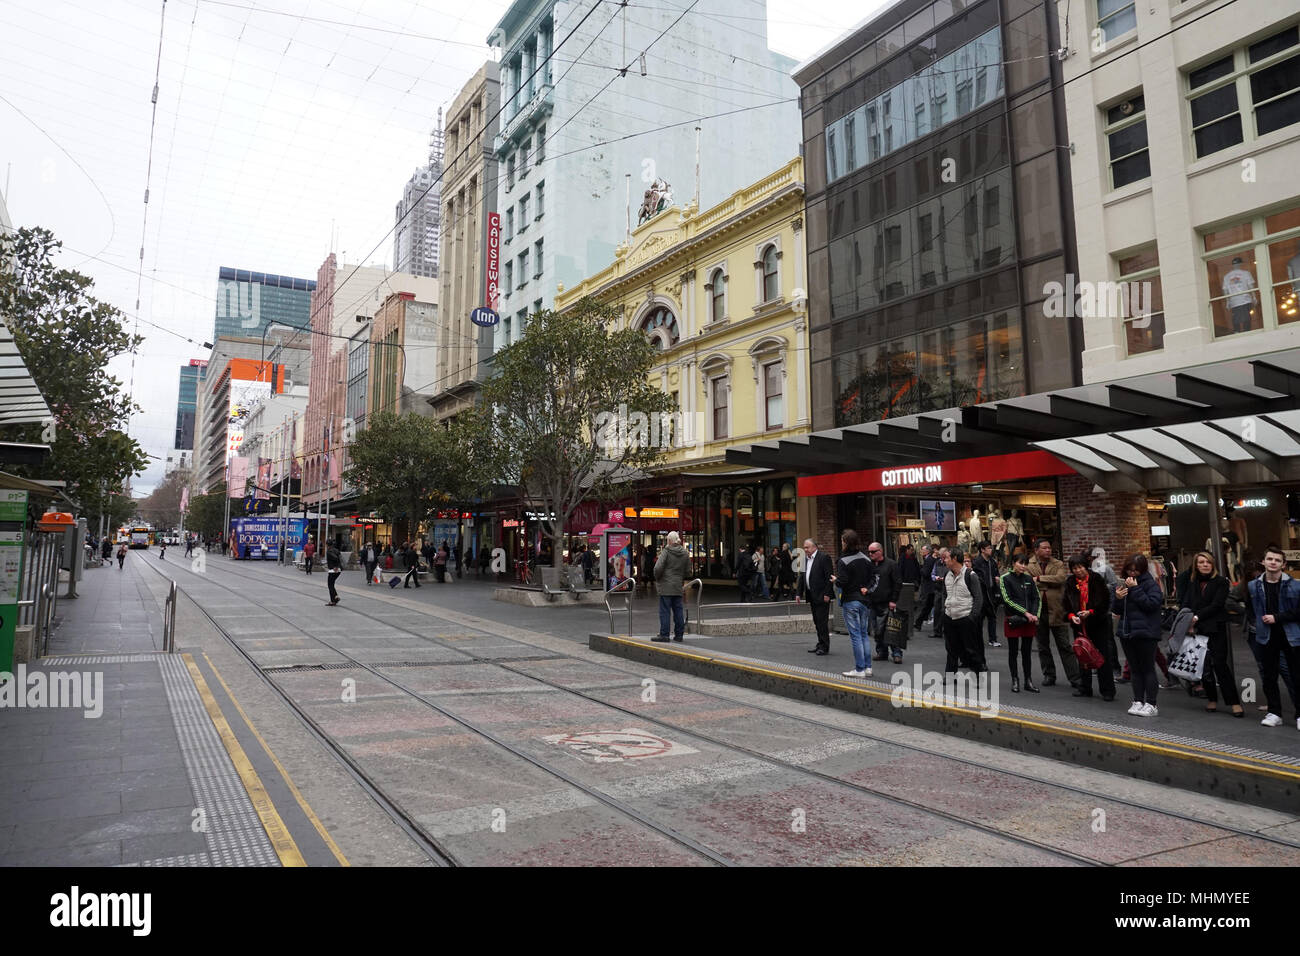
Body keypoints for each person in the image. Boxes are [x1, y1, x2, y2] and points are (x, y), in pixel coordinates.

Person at [1180, 551, 1241, 717]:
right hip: (1198, 629)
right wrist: (1189, 622)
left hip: (1215, 628)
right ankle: (1212, 699)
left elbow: (1217, 605)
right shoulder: (1192, 582)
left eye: (1208, 562)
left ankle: (1234, 702)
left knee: (1220, 665)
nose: (1205, 565)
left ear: (1212, 564)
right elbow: (1186, 603)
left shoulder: (1220, 582)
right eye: (1201, 562)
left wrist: (1196, 617)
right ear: (1196, 565)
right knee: (1203, 666)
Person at [1247, 546, 1300, 729]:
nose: (1273, 562)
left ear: (1283, 565)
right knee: (1269, 676)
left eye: (1277, 560)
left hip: (1291, 636)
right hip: (1265, 636)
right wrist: (1253, 623)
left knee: (1296, 676)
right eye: (1270, 559)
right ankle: (1275, 713)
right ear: (1263, 561)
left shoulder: (1295, 585)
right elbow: (1248, 606)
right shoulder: (1253, 585)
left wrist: (1277, 617)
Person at [1115, 554, 1164, 717]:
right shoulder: (1123, 583)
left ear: (1142, 570)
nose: (1132, 573)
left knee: (1147, 668)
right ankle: (1137, 700)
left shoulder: (1151, 584)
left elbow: (1151, 604)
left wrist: (1135, 589)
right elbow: (1116, 610)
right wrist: (1118, 598)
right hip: (1127, 632)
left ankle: (1151, 703)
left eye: (1136, 570)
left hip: (1146, 633)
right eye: (1129, 570)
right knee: (1135, 668)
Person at [1027, 539, 1079, 688]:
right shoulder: (1029, 564)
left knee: (1064, 645)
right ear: (1036, 550)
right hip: (1038, 610)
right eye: (1044, 548)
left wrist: (1038, 579)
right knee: (1043, 645)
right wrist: (1044, 582)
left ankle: (1074, 677)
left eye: (1049, 548)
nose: (1048, 550)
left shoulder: (1058, 564)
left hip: (1057, 609)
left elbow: (1060, 579)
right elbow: (1028, 582)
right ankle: (1049, 675)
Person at [1064, 554, 1116, 701]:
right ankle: (1085, 687)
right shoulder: (1070, 582)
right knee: (1082, 655)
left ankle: (1107, 690)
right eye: (1074, 568)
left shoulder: (1096, 579)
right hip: (1079, 624)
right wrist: (1071, 616)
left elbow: (1105, 601)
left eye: (1080, 567)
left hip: (1097, 622)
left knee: (1102, 655)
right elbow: (1066, 603)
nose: (1078, 570)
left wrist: (1091, 612)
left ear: (1085, 566)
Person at [833, 530, 876, 678]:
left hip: (850, 600)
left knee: (855, 636)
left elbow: (842, 581)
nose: (841, 543)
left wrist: (835, 580)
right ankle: (868, 667)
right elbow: (873, 579)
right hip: (864, 600)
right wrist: (866, 589)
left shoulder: (843, 561)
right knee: (864, 634)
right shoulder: (866, 558)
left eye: (842, 541)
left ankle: (859, 669)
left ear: (846, 542)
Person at [999, 556, 1041, 692]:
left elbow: (1036, 598)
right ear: (1013, 563)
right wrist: (1025, 613)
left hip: (1029, 619)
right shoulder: (1005, 578)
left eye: (1025, 564)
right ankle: (1015, 679)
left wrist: (1035, 615)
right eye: (1020, 563)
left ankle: (1028, 680)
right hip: (1014, 618)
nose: (1023, 566)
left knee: (1027, 651)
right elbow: (1007, 600)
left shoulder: (1029, 579)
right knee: (1013, 651)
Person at [941, 547, 985, 676]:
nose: (944, 560)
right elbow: (945, 594)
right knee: (951, 649)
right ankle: (950, 676)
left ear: (954, 559)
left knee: (970, 650)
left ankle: (978, 675)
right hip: (949, 617)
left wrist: (972, 617)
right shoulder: (947, 575)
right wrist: (945, 610)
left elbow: (978, 598)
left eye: (947, 558)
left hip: (965, 617)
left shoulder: (970, 576)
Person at [797, 538, 834, 655]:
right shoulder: (805, 560)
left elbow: (829, 577)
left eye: (807, 547)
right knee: (816, 621)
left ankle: (824, 646)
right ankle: (820, 644)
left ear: (814, 547)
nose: (805, 549)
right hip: (811, 595)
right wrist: (798, 593)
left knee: (822, 622)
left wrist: (827, 594)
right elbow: (802, 577)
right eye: (804, 547)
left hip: (822, 595)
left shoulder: (824, 558)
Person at [867, 541, 902, 664]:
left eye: (873, 552)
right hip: (872, 602)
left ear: (880, 551)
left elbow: (897, 583)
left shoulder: (891, 564)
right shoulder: (869, 565)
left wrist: (893, 600)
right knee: (877, 630)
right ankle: (882, 652)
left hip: (886, 602)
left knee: (891, 629)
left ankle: (896, 653)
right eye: (869, 552)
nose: (870, 554)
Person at [652, 531, 690, 643]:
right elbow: (688, 571)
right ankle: (679, 635)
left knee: (665, 611)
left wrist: (658, 578)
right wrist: (680, 578)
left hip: (665, 587)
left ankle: (664, 635)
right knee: (678, 610)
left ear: (669, 541)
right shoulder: (685, 553)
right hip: (678, 586)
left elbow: (657, 568)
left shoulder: (666, 551)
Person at [972, 541, 1001, 649]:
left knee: (992, 616)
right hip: (982, 593)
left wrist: (996, 578)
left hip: (992, 592)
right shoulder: (977, 562)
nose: (991, 550)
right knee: (979, 618)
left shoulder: (992, 562)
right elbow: (977, 577)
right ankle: (977, 638)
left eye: (991, 548)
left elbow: (996, 573)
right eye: (988, 548)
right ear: (982, 550)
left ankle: (993, 639)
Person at [915, 545, 938, 631]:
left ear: (927, 551)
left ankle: (918, 622)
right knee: (928, 605)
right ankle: (918, 622)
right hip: (929, 586)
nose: (921, 551)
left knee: (925, 605)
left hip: (928, 587)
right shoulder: (929, 559)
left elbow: (926, 573)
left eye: (922, 549)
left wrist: (920, 569)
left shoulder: (929, 560)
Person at [325, 541, 342, 606]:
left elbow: (336, 558)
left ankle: (333, 600)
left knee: (330, 585)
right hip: (338, 570)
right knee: (331, 584)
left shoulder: (329, 551)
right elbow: (340, 558)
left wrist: (336, 566)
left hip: (333, 570)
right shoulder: (336, 550)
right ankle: (336, 597)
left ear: (327, 545)